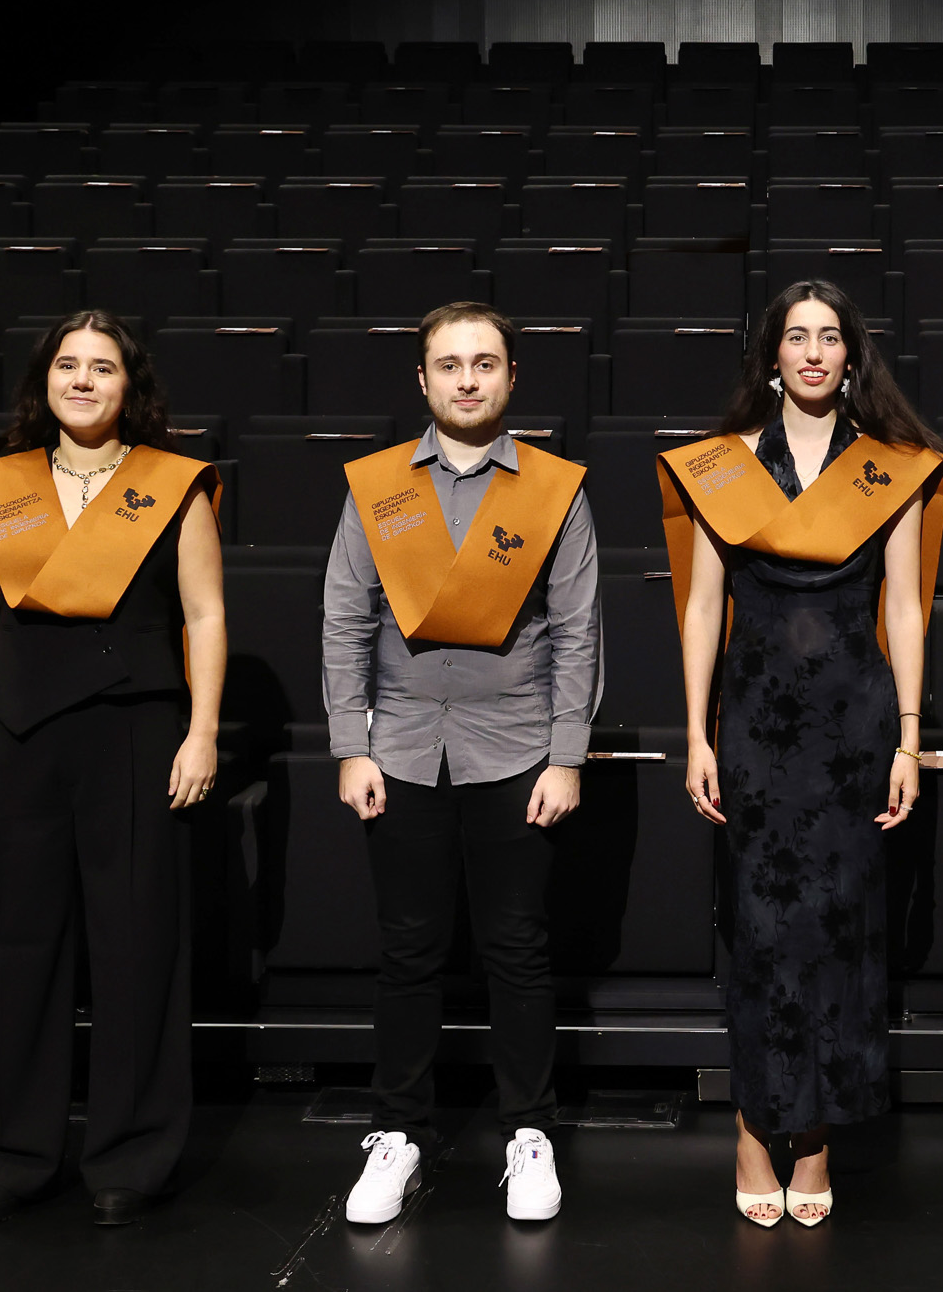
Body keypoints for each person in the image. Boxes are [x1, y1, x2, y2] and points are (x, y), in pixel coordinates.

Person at [659, 280, 943, 1228]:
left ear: (851, 356)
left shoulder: (889, 467)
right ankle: (754, 1127)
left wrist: (909, 737)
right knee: (758, 928)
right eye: (797, 336)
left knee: (840, 929)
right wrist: (696, 732)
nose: (814, 352)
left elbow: (903, 606)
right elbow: (704, 606)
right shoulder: (727, 464)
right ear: (773, 356)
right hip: (752, 723)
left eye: (830, 337)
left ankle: (816, 1134)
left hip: (855, 727)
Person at [0, 310, 226, 1226]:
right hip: (16, 734)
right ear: (45, 380)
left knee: (136, 946)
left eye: (103, 367)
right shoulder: (2, 487)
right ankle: (13, 1153)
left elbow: (205, 616)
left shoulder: (172, 486)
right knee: (17, 947)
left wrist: (203, 731)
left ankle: (130, 1156)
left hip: (136, 733)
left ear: (129, 386)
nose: (84, 380)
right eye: (69, 364)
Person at [323, 301, 600, 1226]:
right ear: (423, 379)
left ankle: (530, 1131)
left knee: (517, 949)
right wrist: (351, 744)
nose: (468, 379)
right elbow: (345, 618)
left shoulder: (554, 489)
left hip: (517, 751)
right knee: (408, 949)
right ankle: (398, 1132)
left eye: (485, 363)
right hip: (401, 748)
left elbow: (577, 632)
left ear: (512, 376)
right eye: (449, 364)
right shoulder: (377, 487)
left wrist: (566, 757)